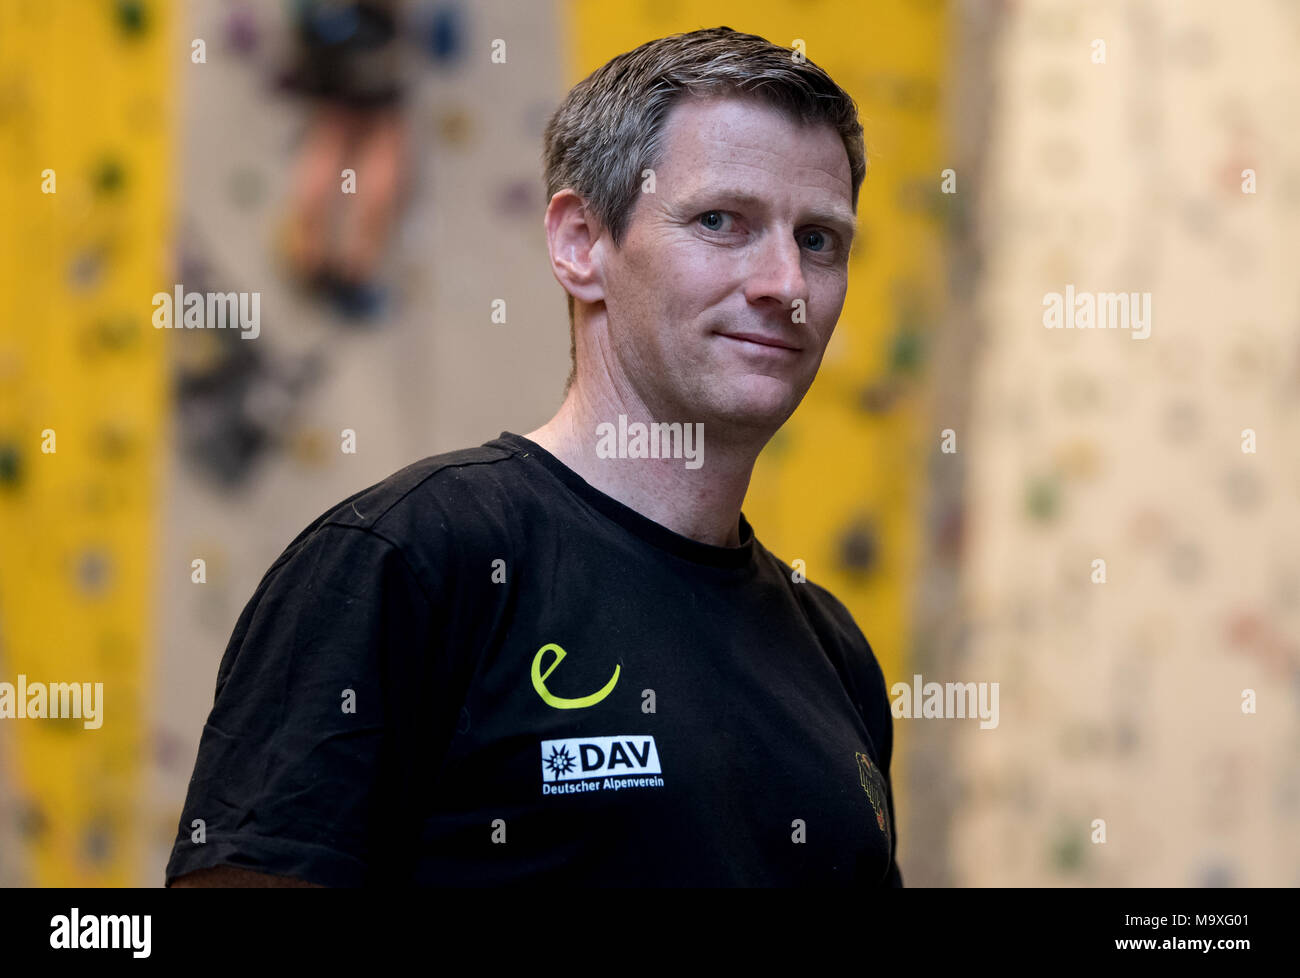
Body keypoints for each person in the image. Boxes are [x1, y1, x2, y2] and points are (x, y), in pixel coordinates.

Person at [167, 25, 902, 887]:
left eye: (819, 239)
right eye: (721, 221)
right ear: (580, 245)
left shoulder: (834, 652)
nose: (786, 283)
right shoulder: (407, 563)